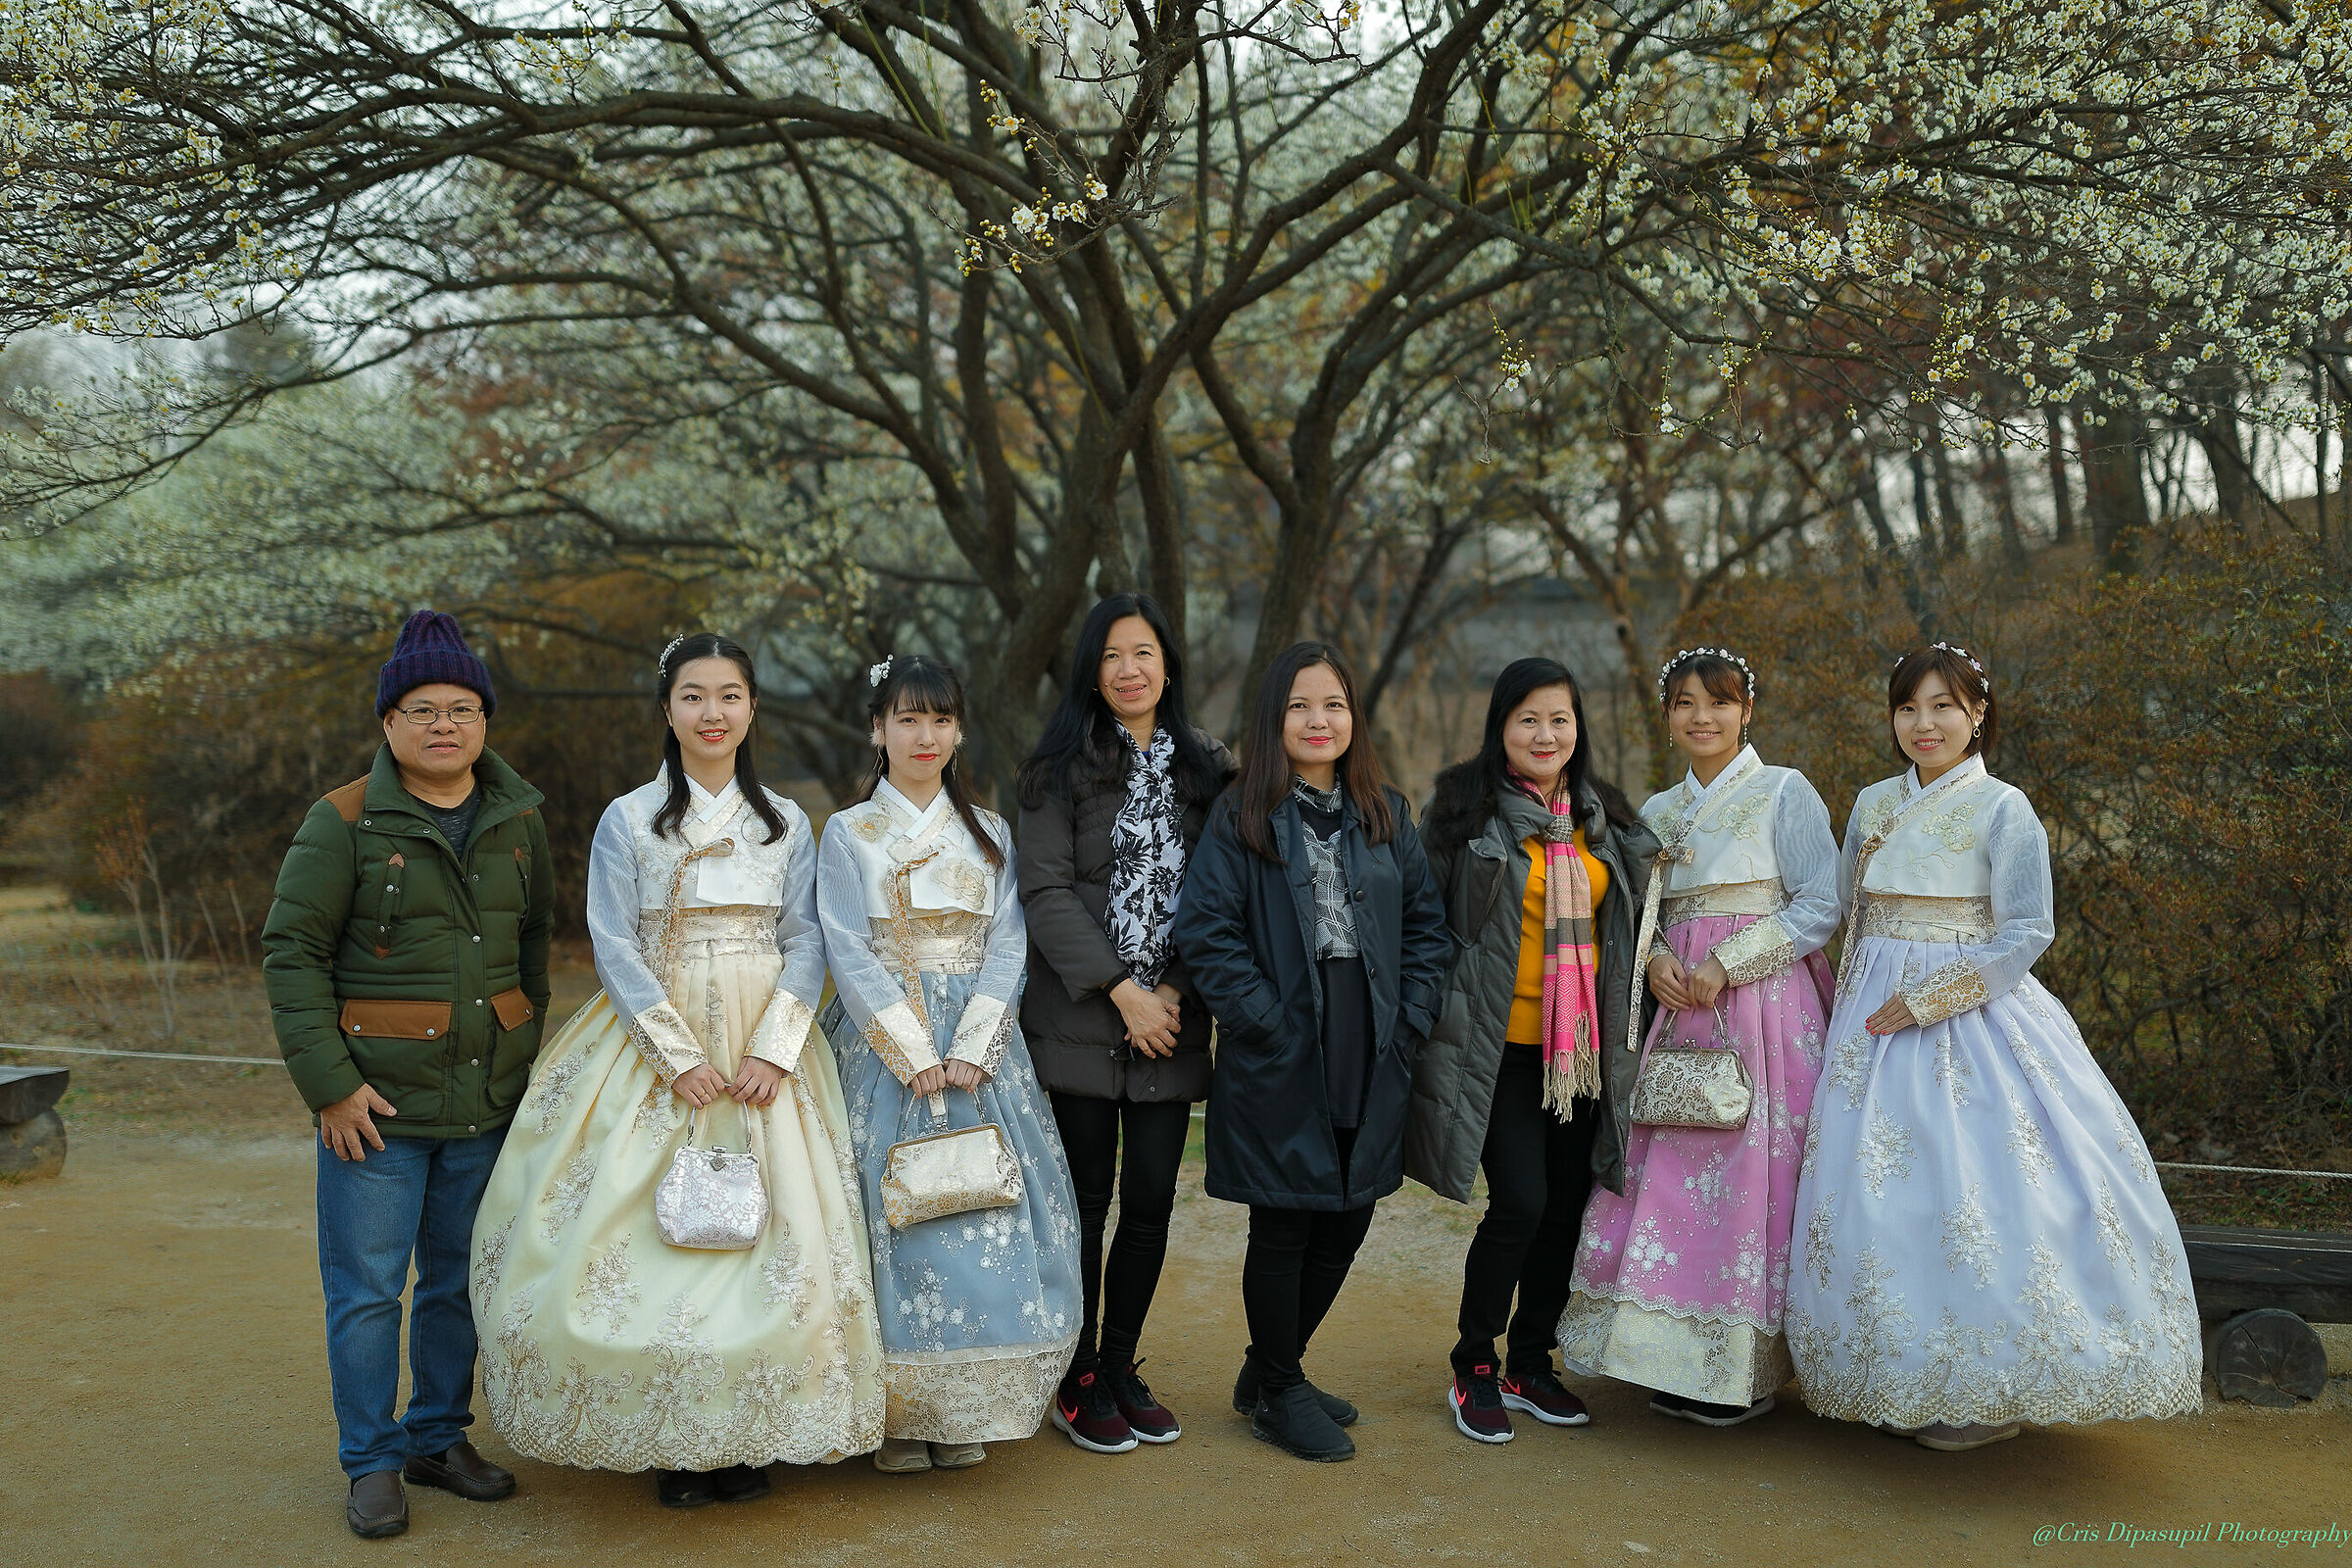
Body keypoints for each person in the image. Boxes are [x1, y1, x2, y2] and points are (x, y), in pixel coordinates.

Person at [468, 633, 886, 1507]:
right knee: (647, 1236)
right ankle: (674, 1441)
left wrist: (776, 1045)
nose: (712, 714)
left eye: (729, 696)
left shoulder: (784, 820)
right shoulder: (628, 818)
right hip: (657, 1041)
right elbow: (612, 940)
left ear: (751, 709)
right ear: (667, 709)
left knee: (778, 1237)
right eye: (693, 696)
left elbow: (807, 937)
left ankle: (746, 1435)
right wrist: (675, 1054)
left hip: (765, 1046)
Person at [1786, 644, 2202, 1451]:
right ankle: (1898, 1374)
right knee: (1879, 1195)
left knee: (1976, 1186)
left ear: (1979, 714)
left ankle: (1984, 1387)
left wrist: (1929, 1000)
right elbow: (1846, 910)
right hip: (1871, 1020)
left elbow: (2025, 932)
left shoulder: (2004, 808)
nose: (1924, 723)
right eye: (1909, 708)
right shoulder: (1873, 804)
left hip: (1969, 1016)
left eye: (1944, 706)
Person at [262, 610, 553, 1540]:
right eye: (422, 709)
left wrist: (521, 1044)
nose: (443, 725)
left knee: (459, 1281)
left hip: (485, 1102)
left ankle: (437, 1435)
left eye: (462, 708)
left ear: (484, 721)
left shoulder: (519, 819)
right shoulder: (341, 820)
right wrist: (330, 1086)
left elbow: (534, 945)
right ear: (389, 722)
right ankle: (373, 1461)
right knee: (365, 1291)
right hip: (373, 1111)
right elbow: (291, 954)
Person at [1171, 641, 1451, 1463]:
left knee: (1351, 1210)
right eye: (1299, 706)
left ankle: (1268, 1370)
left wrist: (1411, 1018)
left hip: (1373, 1037)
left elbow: (1427, 931)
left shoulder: (1387, 813)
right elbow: (1206, 930)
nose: (1317, 720)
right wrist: (1265, 1019)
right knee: (1286, 1215)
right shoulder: (1242, 816)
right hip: (1283, 1040)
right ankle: (1282, 1390)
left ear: (1352, 717)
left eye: (1332, 704)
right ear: (1274, 720)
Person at [1556, 649, 1838, 1427]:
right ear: (1668, 715)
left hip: (1766, 1009)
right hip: (1684, 1009)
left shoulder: (1785, 791)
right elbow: (1637, 914)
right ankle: (1677, 1356)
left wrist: (1729, 959)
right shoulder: (1656, 810)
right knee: (1674, 1179)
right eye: (1684, 704)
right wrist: (1653, 960)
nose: (1702, 718)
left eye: (1719, 702)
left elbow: (1821, 903)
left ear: (1748, 709)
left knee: (1756, 1180)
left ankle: (1745, 1369)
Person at [818, 654, 1083, 1475]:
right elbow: (845, 944)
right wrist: (908, 1048)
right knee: (887, 1214)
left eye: (938, 719)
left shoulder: (990, 833)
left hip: (979, 1050)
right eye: (906, 718)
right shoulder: (847, 832)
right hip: (883, 1041)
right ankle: (898, 1414)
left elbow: (1009, 942)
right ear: (877, 730)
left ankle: (964, 1403)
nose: (923, 735)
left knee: (980, 1213)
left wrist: (970, 1047)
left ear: (959, 731)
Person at [1405, 657, 1657, 1445]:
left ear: (1578, 728)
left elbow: (1650, 917)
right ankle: (1473, 1362)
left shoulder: (1605, 818)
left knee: (1568, 1209)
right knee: (1519, 1202)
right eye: (1528, 720)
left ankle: (1532, 1360)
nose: (1545, 735)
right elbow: (1424, 921)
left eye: (1559, 719)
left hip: (1579, 1053)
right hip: (1499, 1052)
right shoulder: (1462, 814)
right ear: (1500, 729)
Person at [1015, 594, 1236, 1453]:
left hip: (1170, 1023)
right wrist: (1122, 990)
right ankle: (1074, 1378)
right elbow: (1043, 889)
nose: (1130, 669)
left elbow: (1220, 893)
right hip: (1081, 1018)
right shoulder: (1057, 767)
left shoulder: (1208, 770)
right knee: (1084, 1203)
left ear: (1168, 666)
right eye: (1112, 656)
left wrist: (1173, 989)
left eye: (1143, 653)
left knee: (1149, 1203)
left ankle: (1118, 1364)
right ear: (1091, 672)